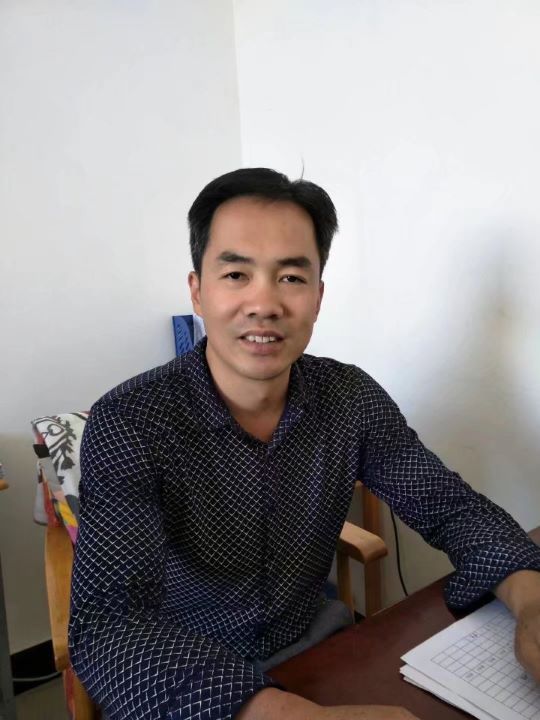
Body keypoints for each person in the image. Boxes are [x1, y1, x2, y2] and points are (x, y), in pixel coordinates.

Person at [69, 168, 540, 720]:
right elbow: (109, 624)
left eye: (291, 277)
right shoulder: (131, 421)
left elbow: (449, 507)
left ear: (318, 296)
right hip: (181, 674)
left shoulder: (349, 398)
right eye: (236, 274)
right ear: (197, 291)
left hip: (314, 647)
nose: (264, 304)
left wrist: (530, 600)